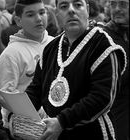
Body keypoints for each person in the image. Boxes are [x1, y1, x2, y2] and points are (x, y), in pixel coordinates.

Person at [22, 0, 127, 139]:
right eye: (64, 6)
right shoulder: (50, 48)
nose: (71, 10)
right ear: (57, 13)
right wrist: (19, 115)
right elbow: (36, 89)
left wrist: (62, 122)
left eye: (78, 5)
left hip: (93, 134)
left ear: (87, 10)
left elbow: (102, 97)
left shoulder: (103, 45)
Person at [0, 0, 54, 129]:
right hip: (26, 128)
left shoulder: (55, 44)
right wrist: (35, 113)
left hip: (56, 123)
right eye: (30, 15)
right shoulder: (11, 54)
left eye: (42, 12)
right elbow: (4, 95)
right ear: (18, 20)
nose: (38, 19)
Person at [103, 0, 129, 140]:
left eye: (123, 4)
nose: (117, 9)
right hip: (115, 117)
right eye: (113, 4)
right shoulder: (104, 37)